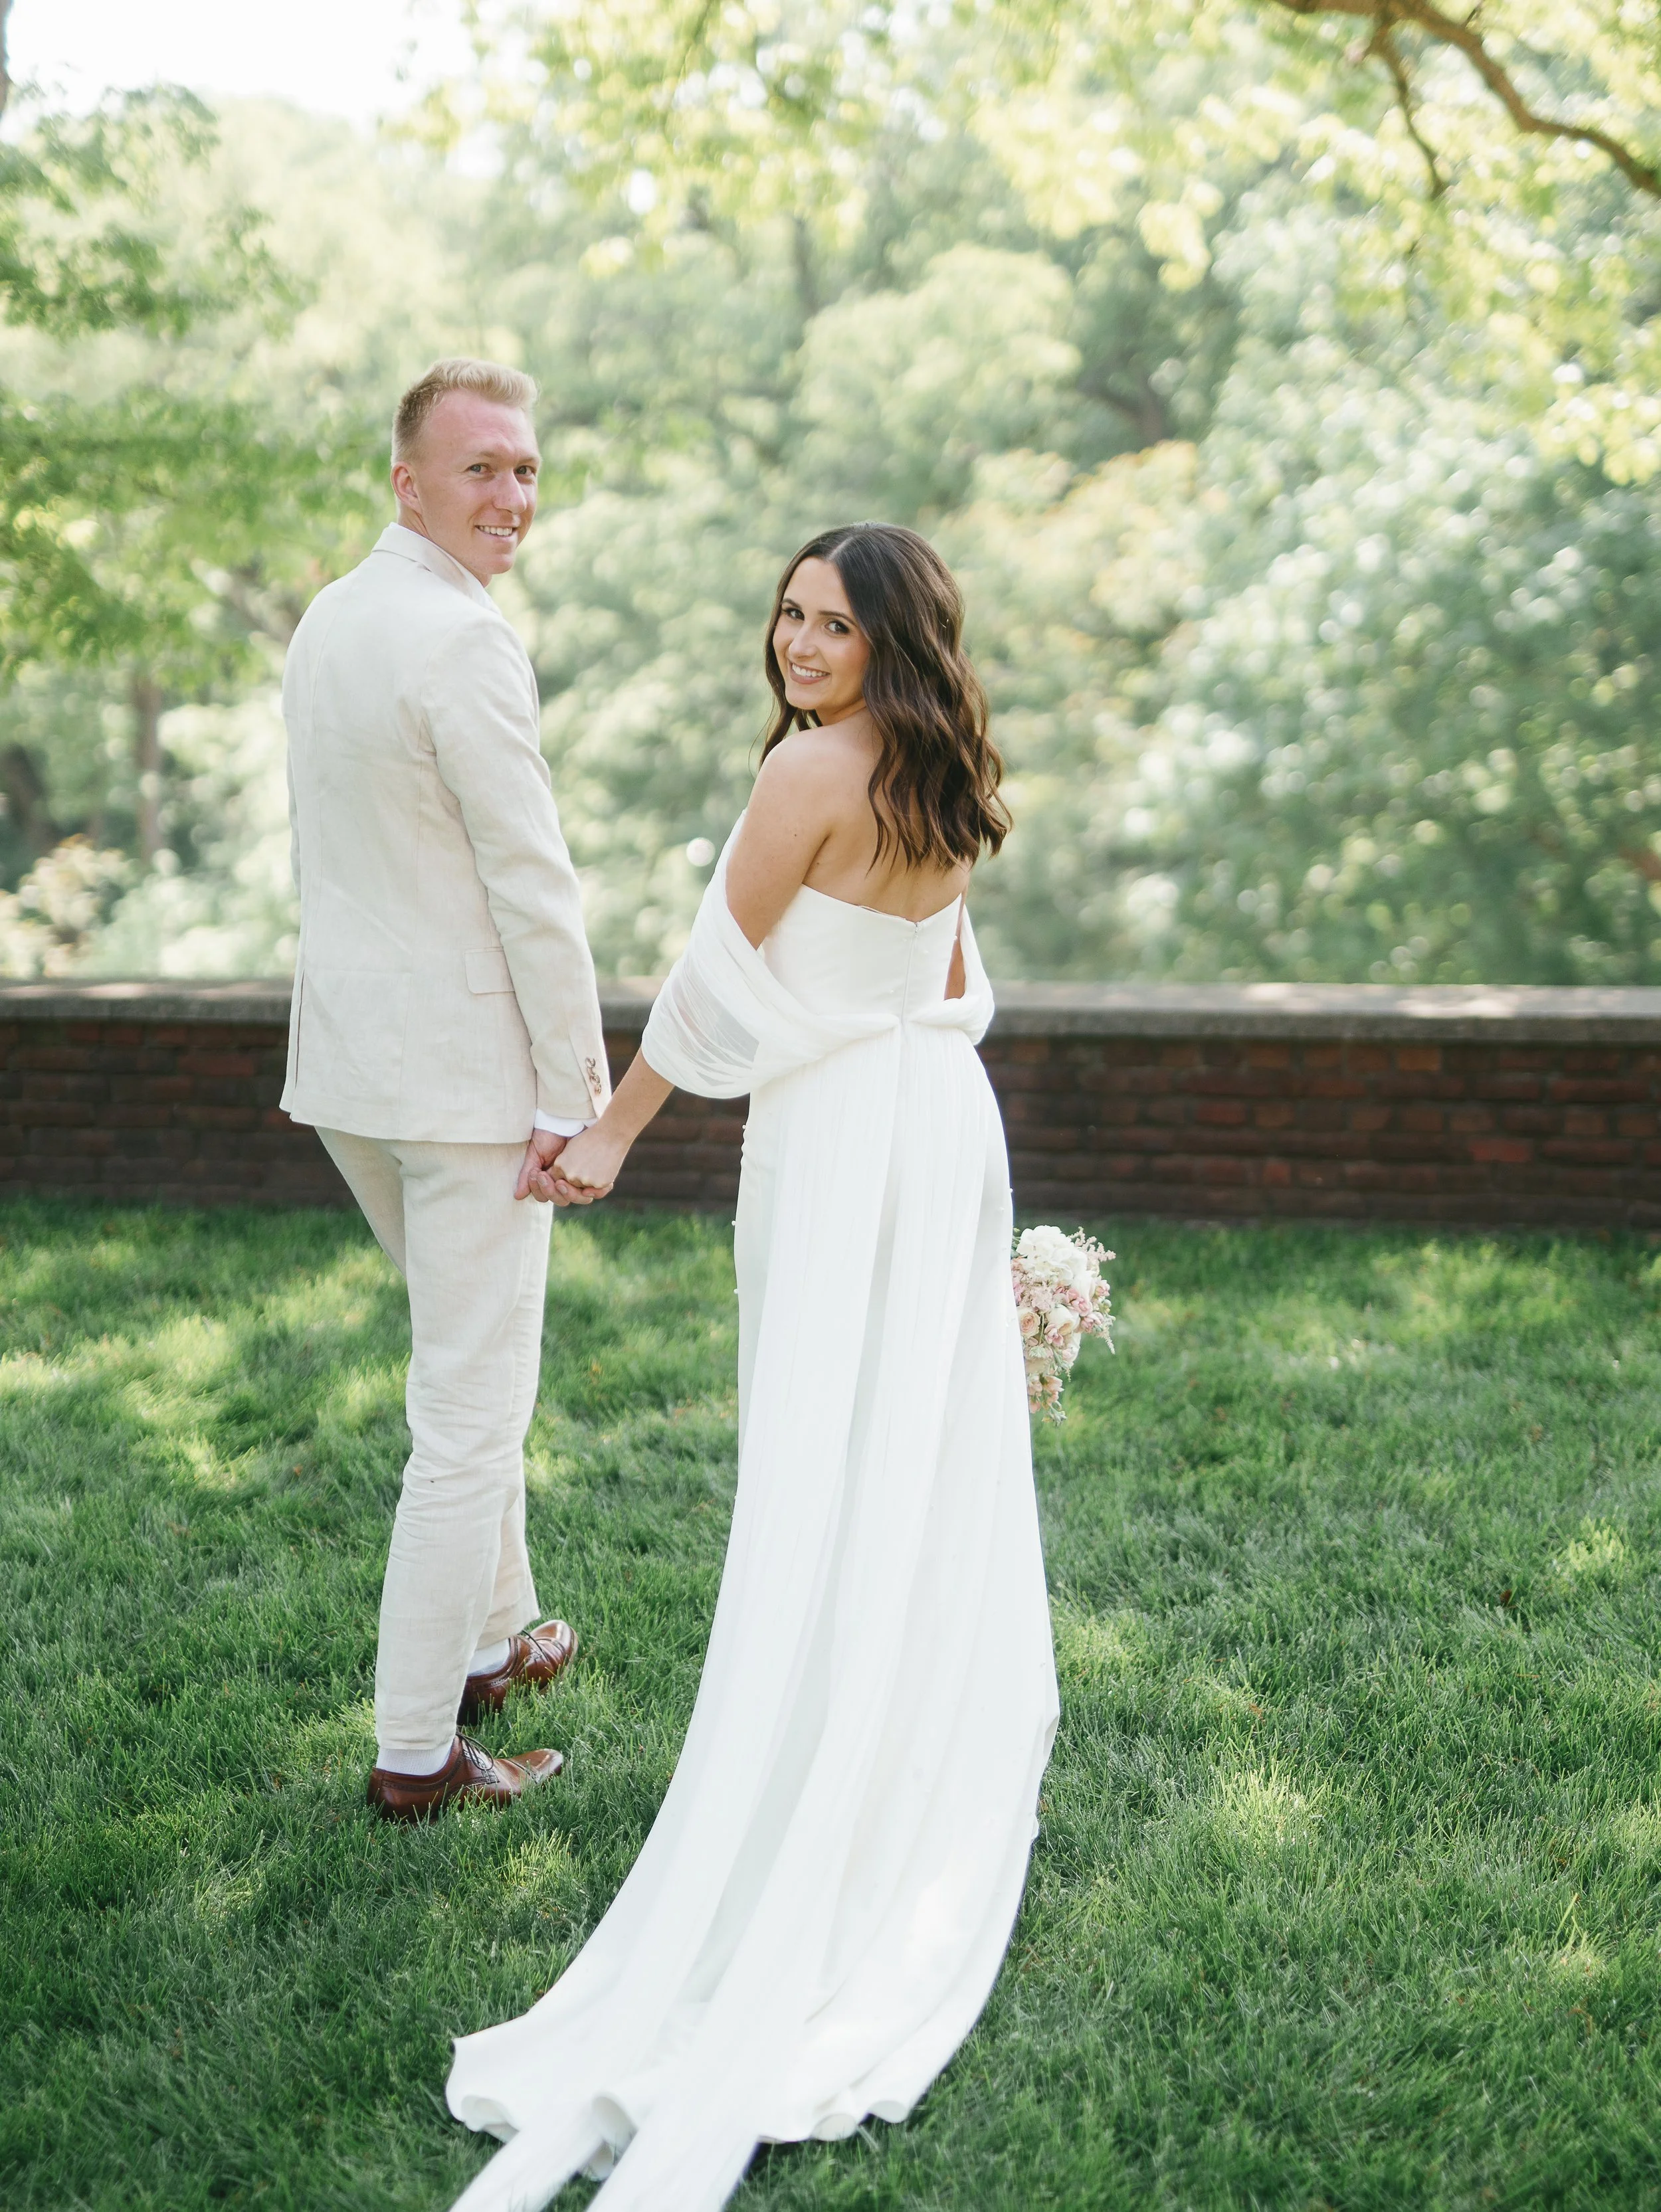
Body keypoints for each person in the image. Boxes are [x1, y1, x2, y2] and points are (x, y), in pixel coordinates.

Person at [444, 524, 1059, 2210]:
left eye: (830, 623)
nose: (796, 645)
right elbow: (939, 979)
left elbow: (713, 993)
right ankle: (887, 1727)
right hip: (938, 1122)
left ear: (889, 641)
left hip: (847, 1134)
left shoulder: (811, 775)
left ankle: (817, 1752)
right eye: (786, 617)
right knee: (899, 1451)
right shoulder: (944, 769)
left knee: (820, 1453)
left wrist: (611, 1138)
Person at [280, 357, 610, 1823]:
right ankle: (419, 1750)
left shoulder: (331, 618)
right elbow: (530, 888)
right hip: (463, 1083)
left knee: (474, 1368)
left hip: (353, 1071)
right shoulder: (461, 643)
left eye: (527, 470)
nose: (511, 496)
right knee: (468, 1415)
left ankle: (501, 1631)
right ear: (406, 482)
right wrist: (576, 1093)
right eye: (480, 468)